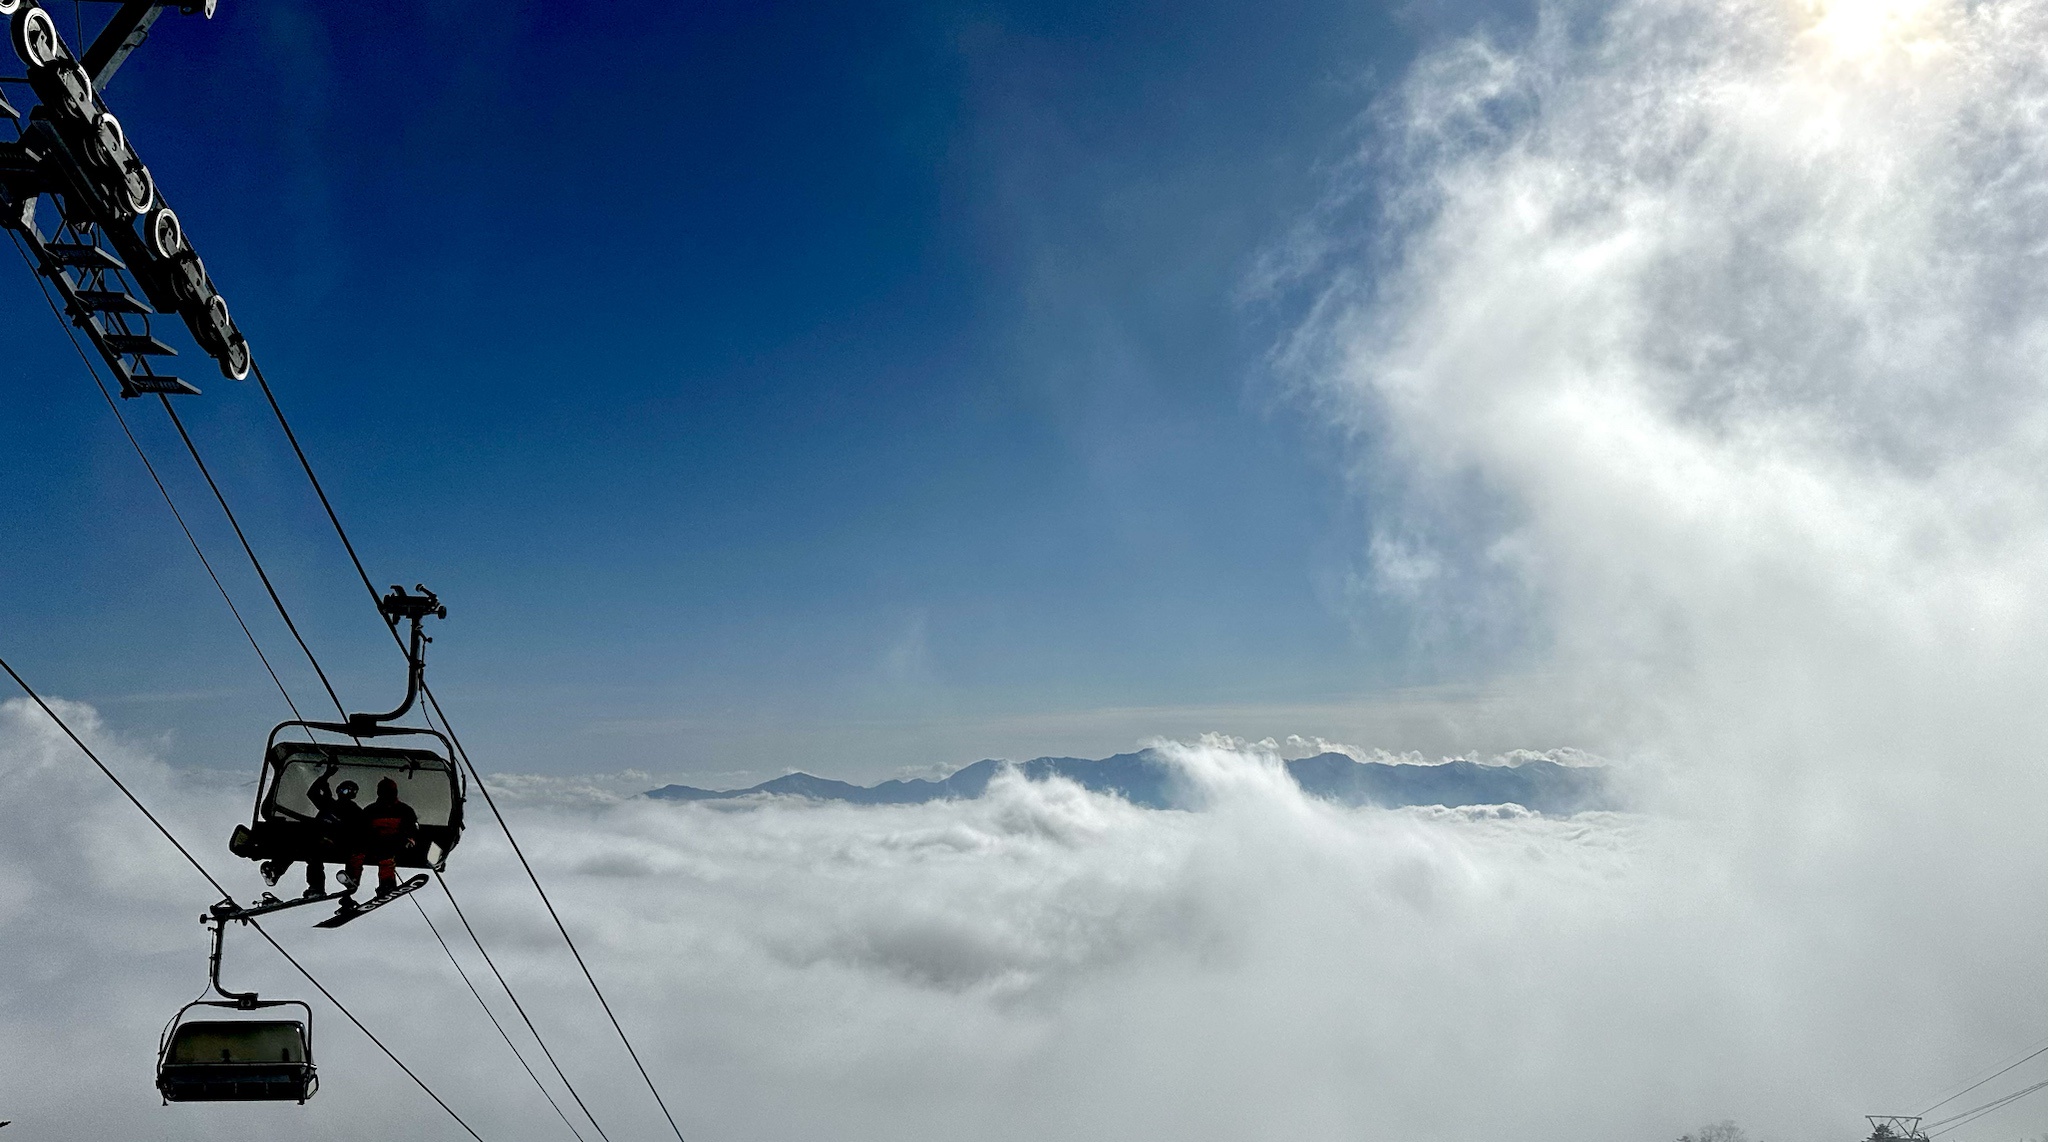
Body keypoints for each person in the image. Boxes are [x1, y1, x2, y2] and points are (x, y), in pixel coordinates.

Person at [263, 763, 362, 898]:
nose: (345, 794)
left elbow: (356, 833)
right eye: (343, 790)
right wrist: (325, 776)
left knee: (313, 853)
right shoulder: (329, 804)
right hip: (315, 838)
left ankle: (317, 887)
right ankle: (276, 870)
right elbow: (312, 792)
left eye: (349, 792)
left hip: (334, 844)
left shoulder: (354, 812)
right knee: (295, 844)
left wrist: (336, 839)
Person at [346, 776, 418, 897]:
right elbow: (361, 828)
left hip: (394, 842)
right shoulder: (371, 810)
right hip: (375, 841)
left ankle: (387, 883)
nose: (387, 795)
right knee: (357, 852)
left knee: (386, 855)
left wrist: (409, 840)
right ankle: (352, 878)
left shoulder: (404, 810)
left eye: (389, 792)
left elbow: (412, 828)